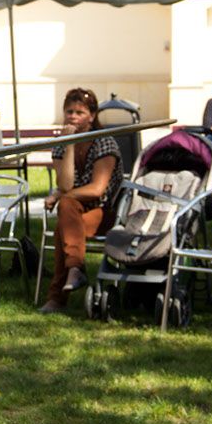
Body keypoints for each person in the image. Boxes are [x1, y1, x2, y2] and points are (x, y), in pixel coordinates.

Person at [38, 88, 123, 314]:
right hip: (75, 211)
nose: (73, 117)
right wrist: (69, 144)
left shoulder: (104, 142)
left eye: (79, 112)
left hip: (105, 212)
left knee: (63, 226)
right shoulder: (61, 144)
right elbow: (66, 185)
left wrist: (60, 195)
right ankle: (75, 268)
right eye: (69, 112)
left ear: (92, 116)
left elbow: (97, 190)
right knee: (67, 212)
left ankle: (57, 298)